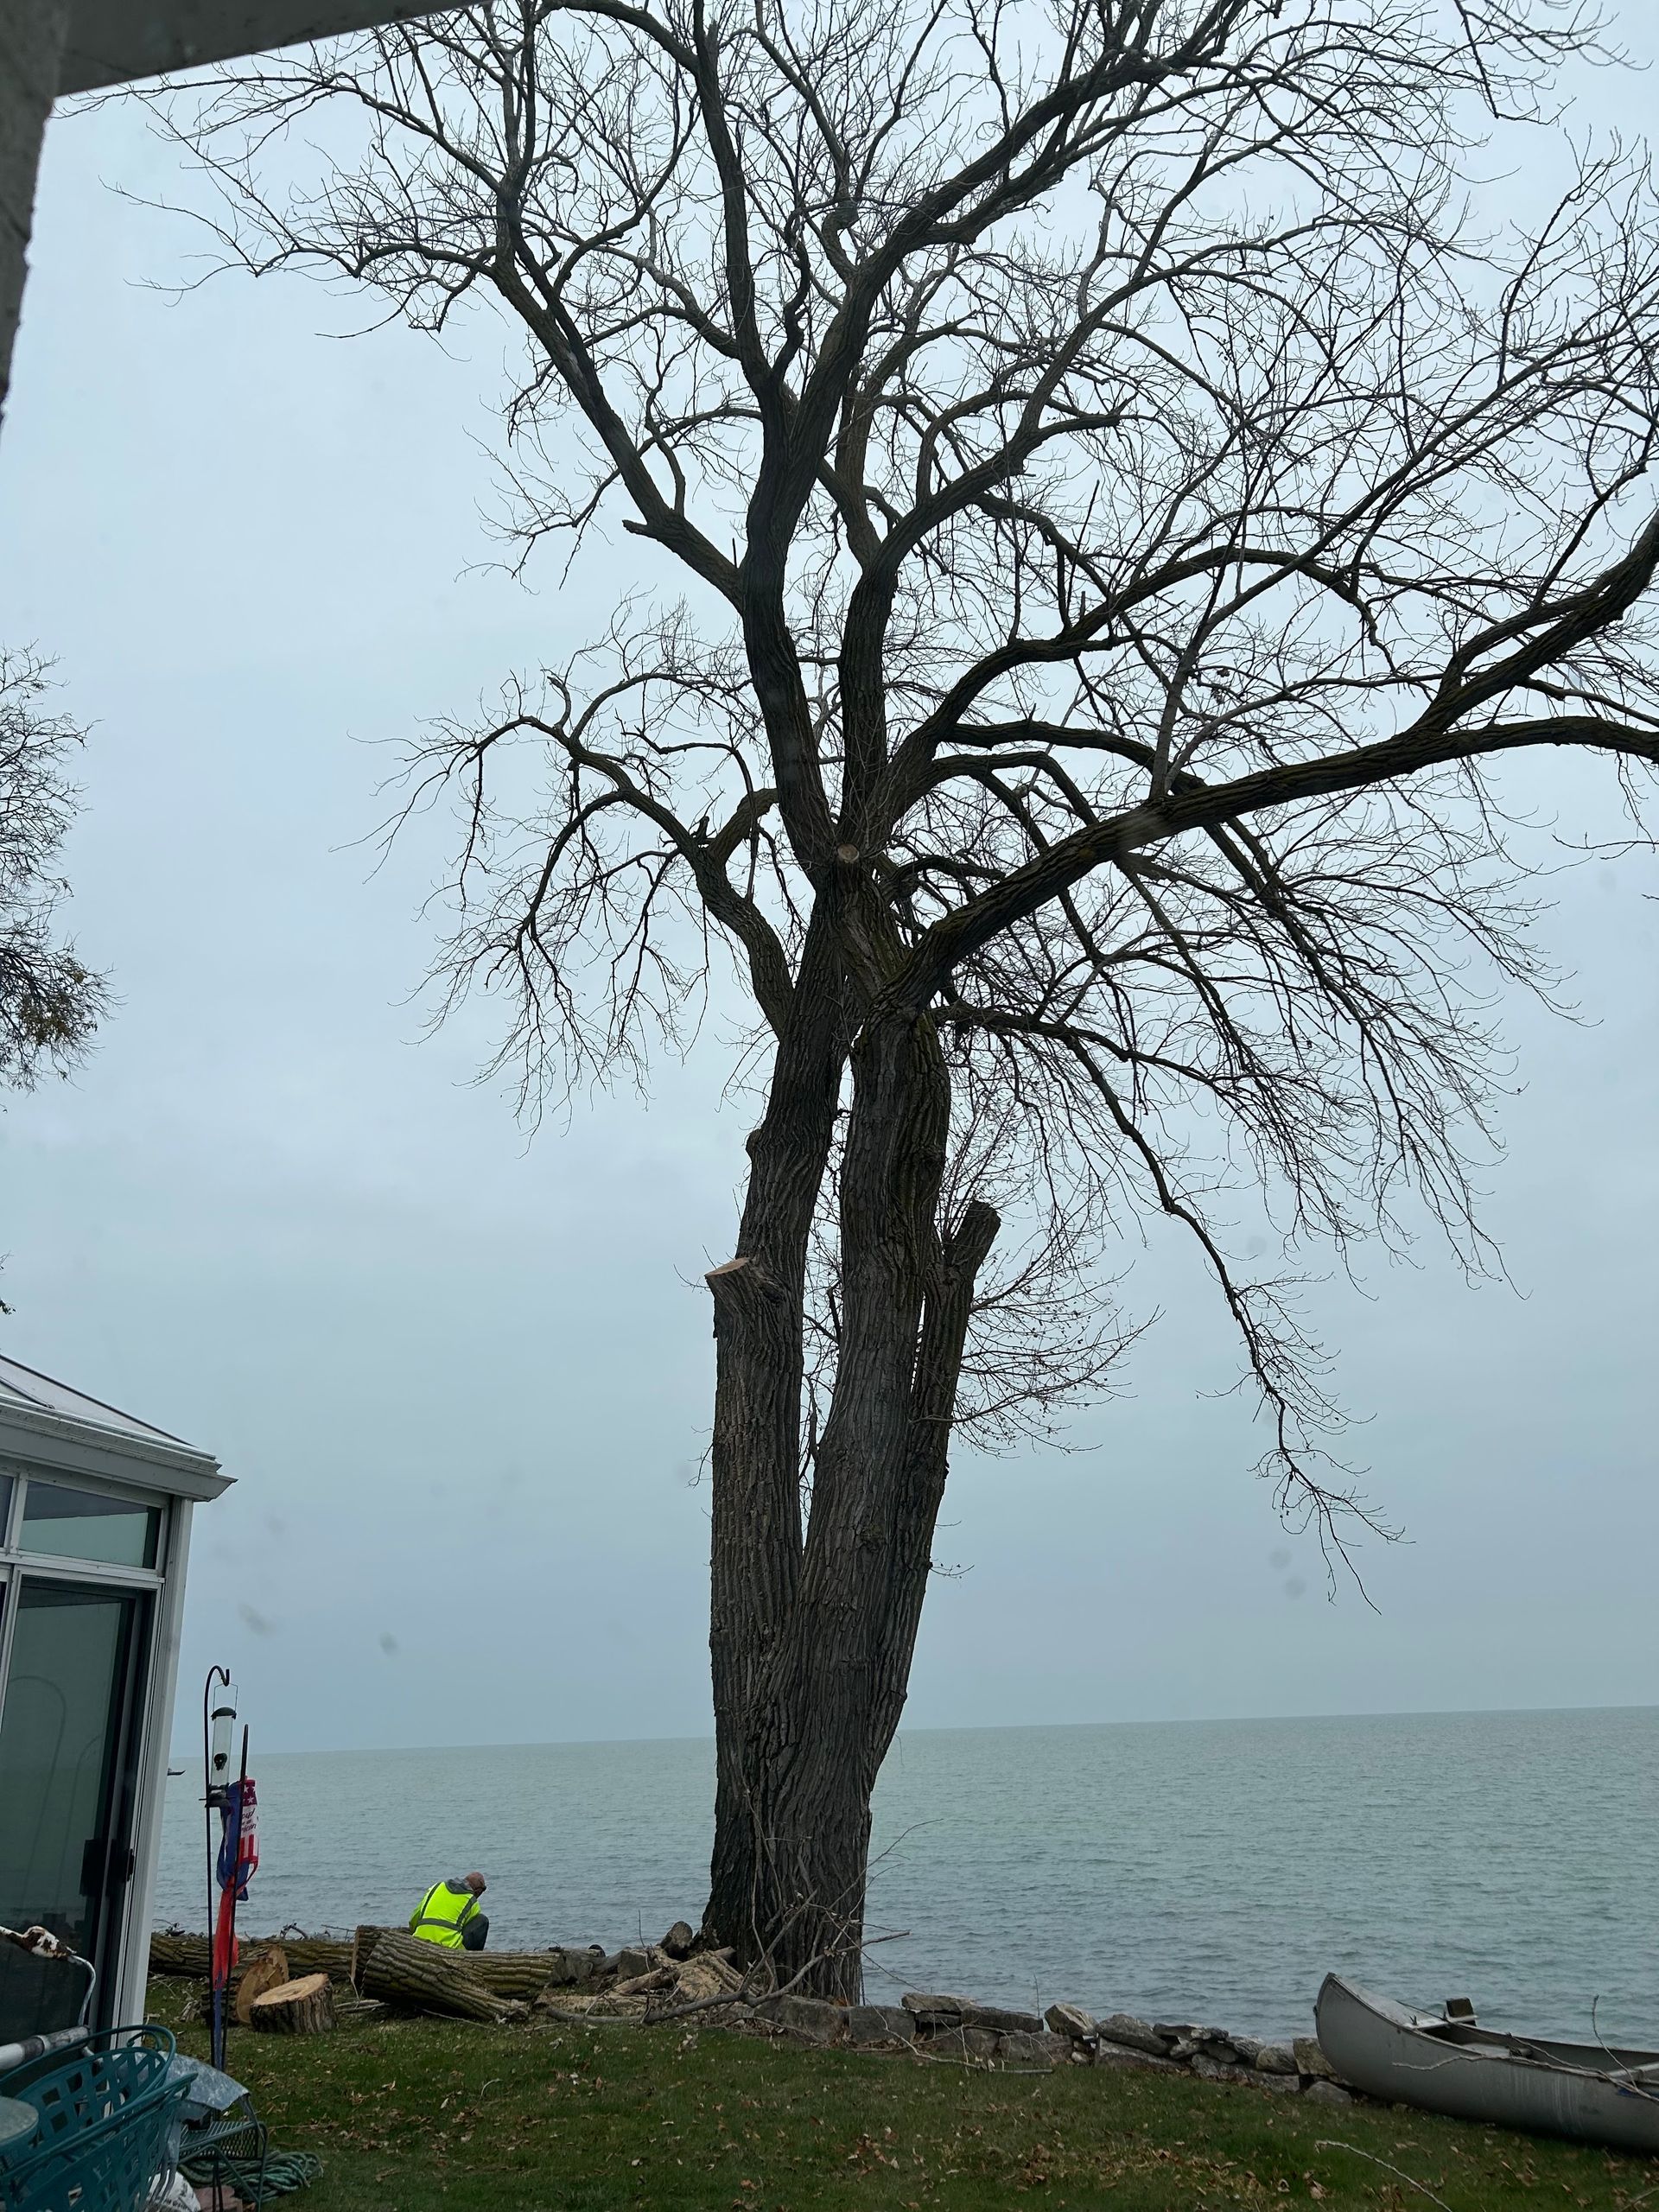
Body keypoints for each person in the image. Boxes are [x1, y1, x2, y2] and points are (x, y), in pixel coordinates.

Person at [409, 1871, 488, 1952]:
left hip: (419, 1942)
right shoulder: (472, 1902)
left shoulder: (436, 1887)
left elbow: (414, 1918)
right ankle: (474, 1958)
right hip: (448, 1948)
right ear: (478, 1891)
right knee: (482, 1920)